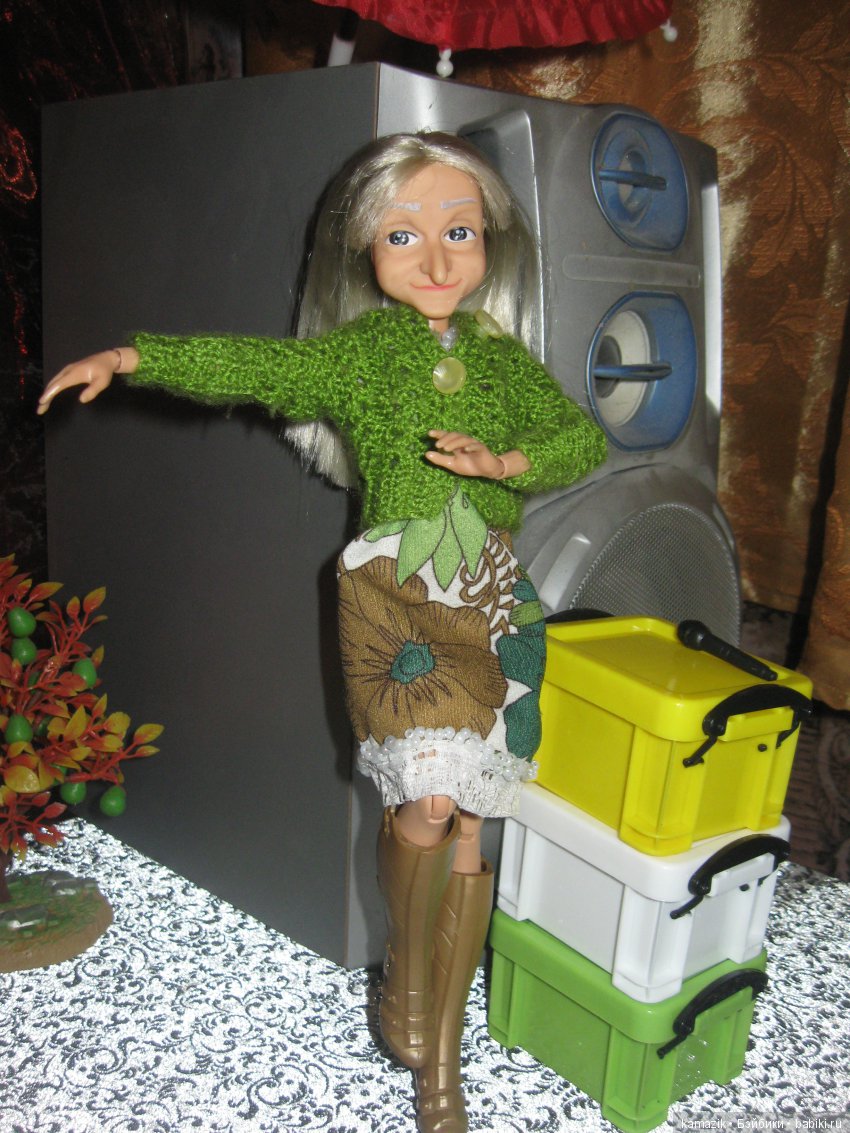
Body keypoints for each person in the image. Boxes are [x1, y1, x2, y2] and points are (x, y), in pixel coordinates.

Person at [38, 131, 607, 1132]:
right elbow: (255, 365)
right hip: (400, 596)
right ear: (364, 249)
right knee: (429, 798)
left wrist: (504, 461)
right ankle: (407, 974)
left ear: (491, 242)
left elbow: (580, 437)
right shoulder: (362, 355)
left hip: (493, 598)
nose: (437, 259)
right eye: (404, 235)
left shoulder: (501, 357)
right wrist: (132, 357)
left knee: (473, 826)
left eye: (460, 231)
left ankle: (441, 1060)